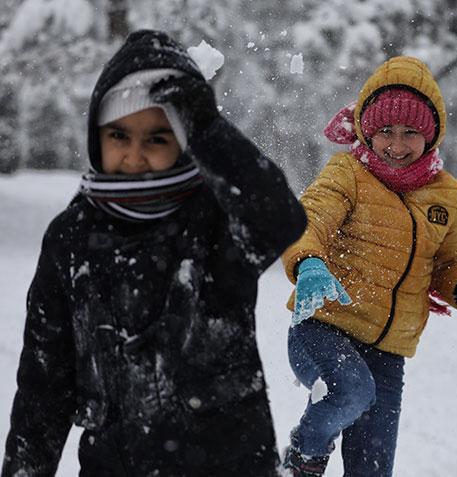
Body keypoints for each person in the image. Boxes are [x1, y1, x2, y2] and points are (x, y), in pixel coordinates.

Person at [2, 30, 307, 476]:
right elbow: (43, 386)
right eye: (119, 135)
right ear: (96, 136)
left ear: (184, 141)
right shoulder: (71, 238)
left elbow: (282, 218)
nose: (134, 155)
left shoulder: (215, 219)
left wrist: (210, 128)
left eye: (157, 138)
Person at [279, 56, 457, 477]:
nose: (396, 145)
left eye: (410, 133)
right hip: (322, 327)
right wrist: (309, 262)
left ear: (431, 134)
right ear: (366, 129)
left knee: (373, 468)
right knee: (349, 390)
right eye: (385, 131)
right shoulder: (347, 173)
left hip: (388, 352)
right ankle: (302, 459)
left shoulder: (447, 196)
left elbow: (452, 261)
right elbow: (311, 218)